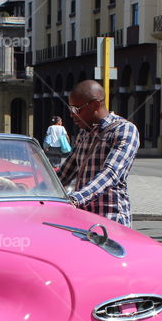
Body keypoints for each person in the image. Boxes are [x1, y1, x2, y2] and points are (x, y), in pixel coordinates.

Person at [57, 79, 140, 226]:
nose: (72, 114)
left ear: (95, 105)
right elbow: (65, 173)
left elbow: (110, 174)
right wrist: (33, 191)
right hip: (83, 219)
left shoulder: (124, 130)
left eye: (77, 109)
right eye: (71, 109)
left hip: (111, 220)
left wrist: (76, 198)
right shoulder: (84, 133)